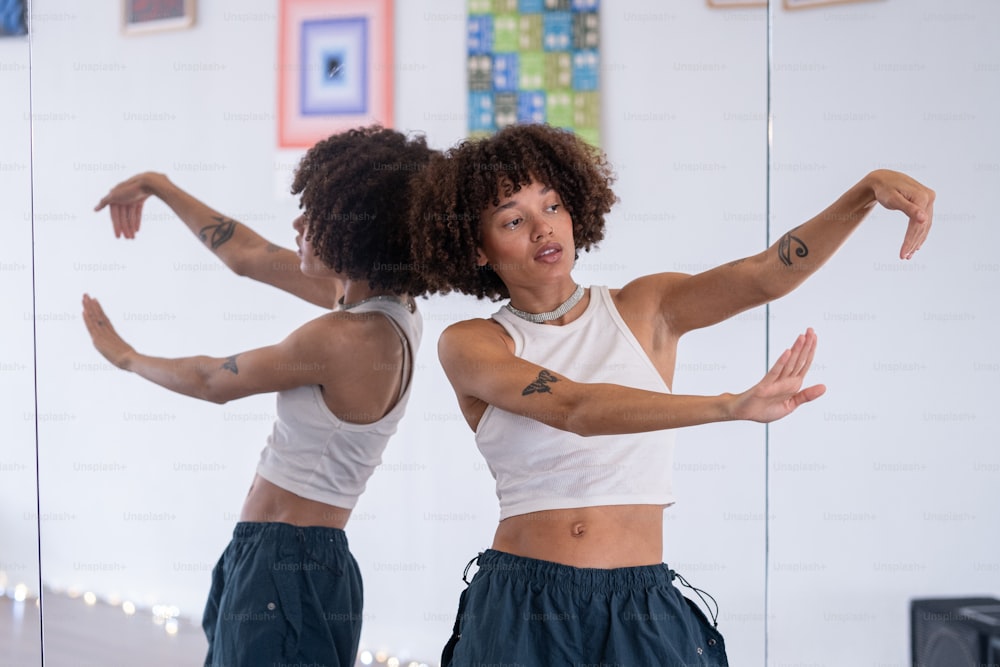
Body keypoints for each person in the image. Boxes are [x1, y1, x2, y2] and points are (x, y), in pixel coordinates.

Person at [407, 123, 934, 665]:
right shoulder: (473, 343)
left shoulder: (646, 306)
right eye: (514, 220)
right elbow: (574, 407)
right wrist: (729, 406)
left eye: (553, 206)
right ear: (476, 247)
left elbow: (766, 274)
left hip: (640, 602)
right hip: (524, 604)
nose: (544, 229)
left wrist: (864, 192)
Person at [81, 126, 437, 667]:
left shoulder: (346, 338)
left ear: (354, 234)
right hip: (285, 560)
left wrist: (126, 357)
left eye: (312, 216)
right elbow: (247, 254)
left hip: (283, 566)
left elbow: (212, 382)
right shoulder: (389, 306)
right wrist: (159, 185)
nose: (296, 226)